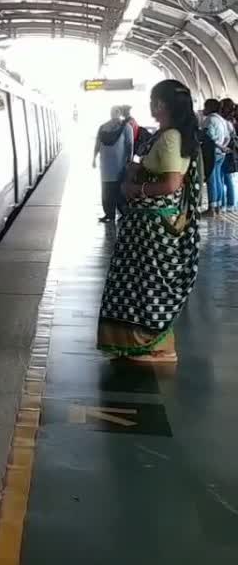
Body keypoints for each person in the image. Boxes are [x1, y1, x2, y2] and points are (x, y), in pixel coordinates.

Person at [97, 79, 203, 363]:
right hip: (150, 225)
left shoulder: (170, 137)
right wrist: (138, 168)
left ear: (161, 104)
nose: (151, 105)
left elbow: (172, 183)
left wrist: (137, 189)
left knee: (146, 285)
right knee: (143, 284)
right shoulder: (172, 134)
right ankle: (142, 344)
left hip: (152, 227)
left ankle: (153, 346)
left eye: (154, 100)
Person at [92, 106, 134, 223]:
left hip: (120, 166)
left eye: (116, 111)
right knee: (106, 191)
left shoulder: (126, 127)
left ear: (120, 113)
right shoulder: (103, 127)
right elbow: (97, 143)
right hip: (105, 166)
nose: (114, 113)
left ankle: (124, 213)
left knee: (119, 191)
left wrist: (129, 161)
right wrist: (94, 158)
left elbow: (130, 145)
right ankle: (109, 214)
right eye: (112, 111)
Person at [201, 98, 229, 212]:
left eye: (205, 107)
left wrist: (220, 147)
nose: (204, 109)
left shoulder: (209, 120)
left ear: (209, 108)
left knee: (211, 179)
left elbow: (209, 138)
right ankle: (218, 205)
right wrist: (223, 147)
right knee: (218, 179)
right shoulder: (221, 120)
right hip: (221, 154)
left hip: (212, 153)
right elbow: (228, 136)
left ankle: (211, 208)